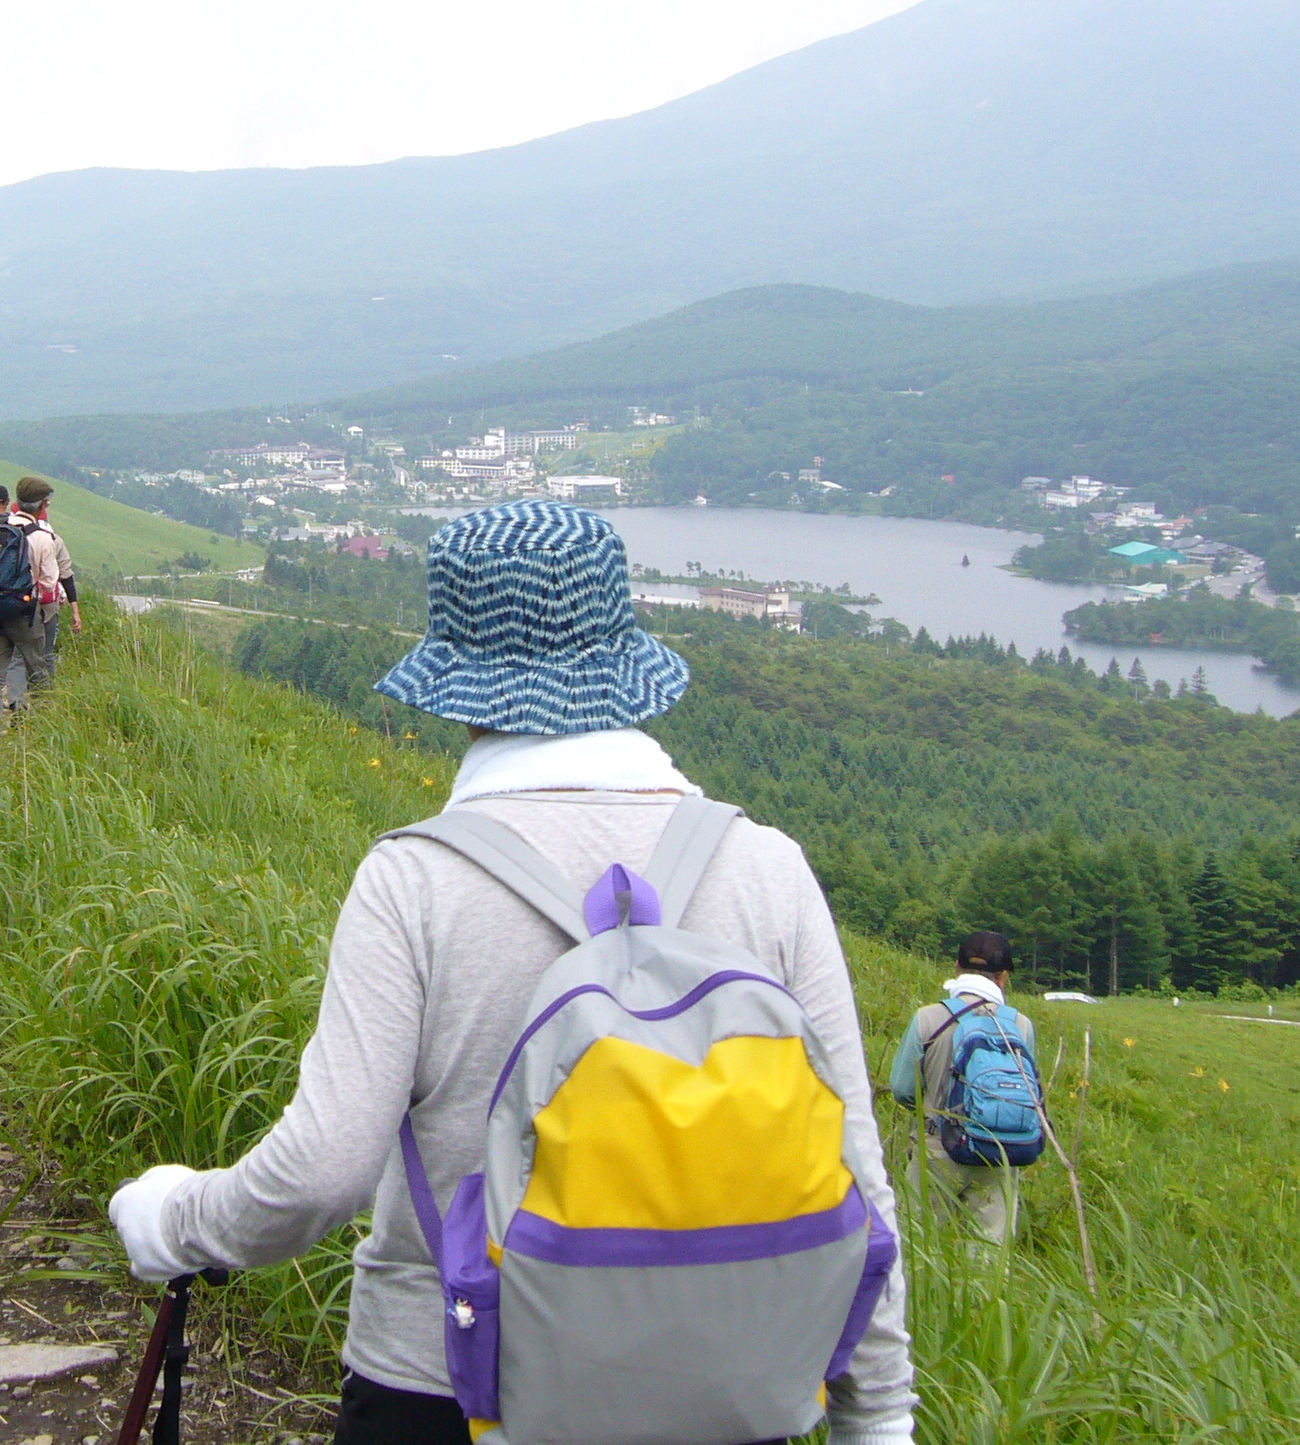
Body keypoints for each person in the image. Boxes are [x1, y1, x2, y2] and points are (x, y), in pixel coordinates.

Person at [101, 500, 914, 1445]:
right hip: (722, 1396)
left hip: (446, 1386)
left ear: (456, 683)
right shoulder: (766, 866)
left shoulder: (414, 879)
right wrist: (879, 1418)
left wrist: (176, 1222)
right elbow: (856, 1173)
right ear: (625, 656)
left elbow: (322, 1172)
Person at [890, 929, 1039, 1247]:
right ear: (1003, 977)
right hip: (1000, 1153)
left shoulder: (928, 1019)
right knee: (987, 1256)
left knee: (919, 1245)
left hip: (937, 1148)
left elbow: (902, 1088)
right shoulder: (1021, 1026)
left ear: (957, 968)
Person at [0, 481, 57, 740]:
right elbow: (49, 582)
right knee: (36, 668)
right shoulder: (41, 537)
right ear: (41, 505)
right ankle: (42, 725)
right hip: (24, 612)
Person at [23, 483, 83, 671]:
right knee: (47, 652)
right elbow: (66, 576)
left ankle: (18, 695)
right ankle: (45, 695)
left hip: (15, 600)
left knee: (20, 652)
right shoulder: (54, 540)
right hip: (47, 604)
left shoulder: (11, 532)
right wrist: (74, 610)